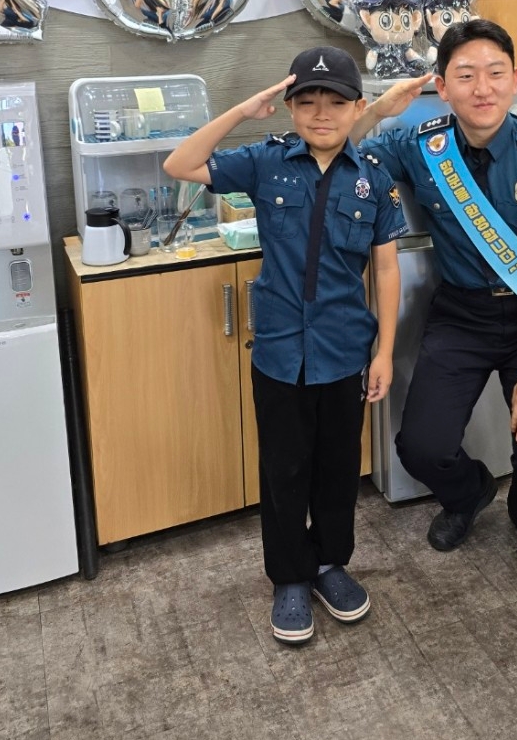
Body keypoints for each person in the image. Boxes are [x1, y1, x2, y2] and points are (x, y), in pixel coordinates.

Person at [164, 47, 407, 643]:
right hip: (278, 351)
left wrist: (384, 352)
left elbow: (386, 269)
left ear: (357, 108)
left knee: (337, 469)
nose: (322, 113)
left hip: (345, 350)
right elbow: (180, 163)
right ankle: (290, 576)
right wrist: (242, 111)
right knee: (284, 470)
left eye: (336, 102)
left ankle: (329, 565)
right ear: (291, 108)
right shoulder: (265, 162)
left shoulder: (374, 178)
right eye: (308, 102)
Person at [353, 18, 517, 571]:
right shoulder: (422, 145)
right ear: (443, 86)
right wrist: (377, 111)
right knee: (420, 449)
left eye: (495, 73)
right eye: (465, 76)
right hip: (460, 315)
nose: (482, 88)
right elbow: (341, 151)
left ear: (514, 79)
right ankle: (470, 493)